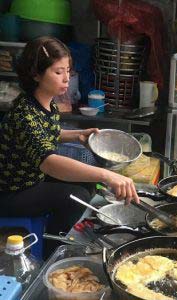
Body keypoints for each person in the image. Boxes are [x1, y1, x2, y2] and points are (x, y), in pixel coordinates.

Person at [0, 36, 139, 255]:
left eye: (68, 70)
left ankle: (60, 234)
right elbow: (50, 164)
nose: (66, 78)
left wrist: (77, 135)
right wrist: (107, 174)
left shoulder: (45, 103)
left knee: (86, 182)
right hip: (11, 192)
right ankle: (51, 252)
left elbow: (48, 133)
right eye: (58, 72)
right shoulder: (25, 114)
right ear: (36, 74)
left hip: (31, 178)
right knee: (75, 197)